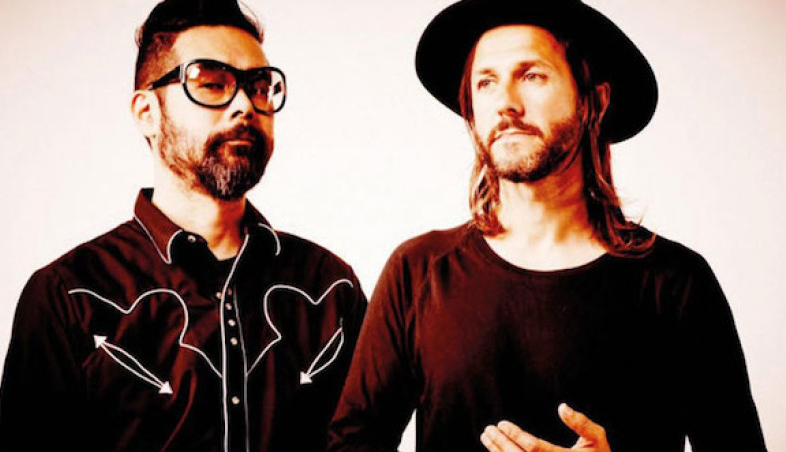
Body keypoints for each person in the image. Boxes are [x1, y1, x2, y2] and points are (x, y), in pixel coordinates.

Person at [328, 0, 767, 451]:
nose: (506, 103)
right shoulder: (418, 271)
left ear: (594, 101)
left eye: (532, 76)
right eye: (486, 82)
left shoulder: (675, 282)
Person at [0, 1, 367, 451]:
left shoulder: (331, 289)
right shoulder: (69, 296)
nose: (245, 106)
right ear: (146, 112)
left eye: (260, 88)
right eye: (212, 84)